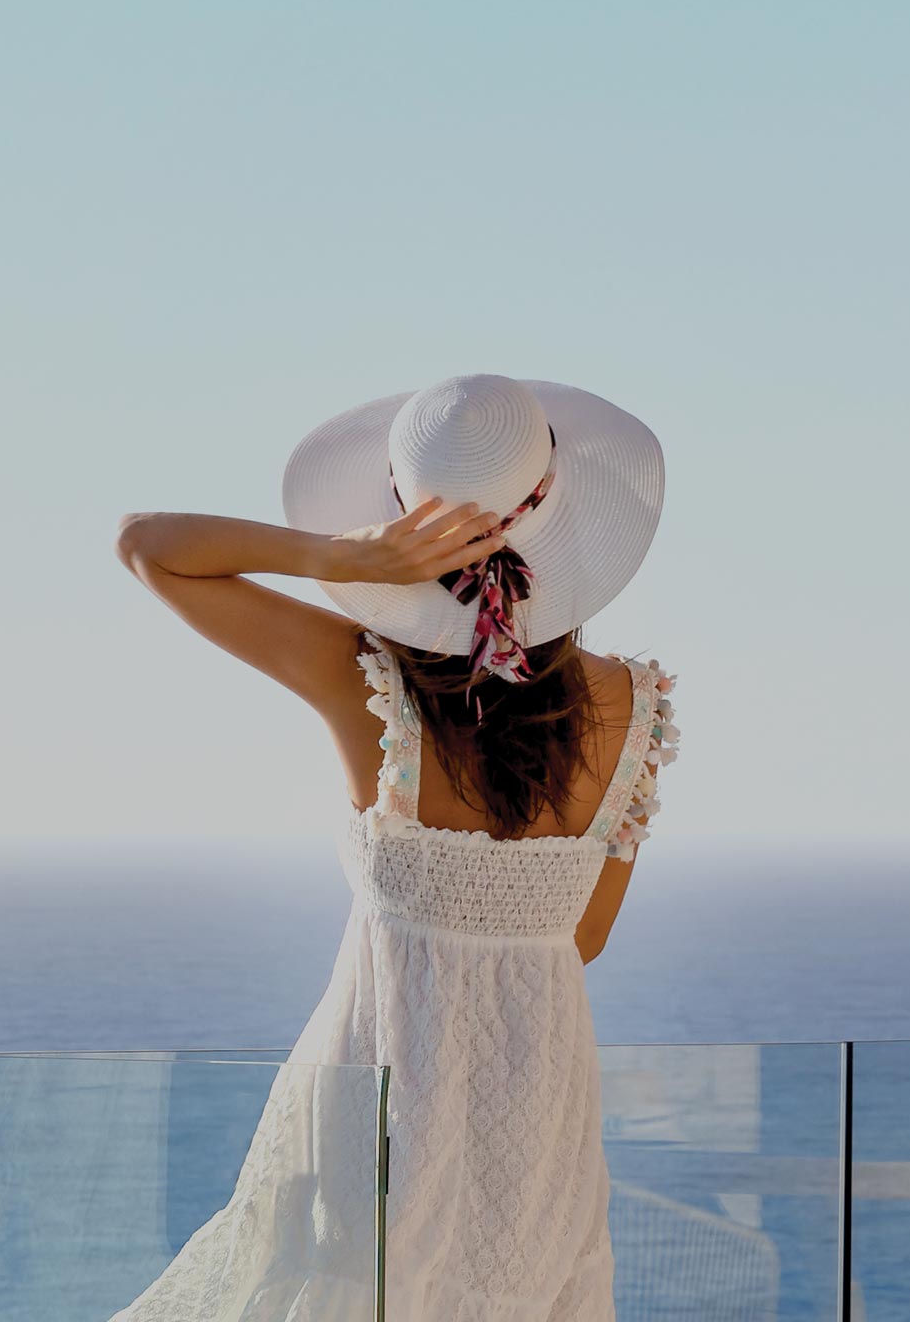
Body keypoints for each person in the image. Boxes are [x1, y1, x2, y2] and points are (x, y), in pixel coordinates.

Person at [106, 373, 678, 1322]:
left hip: (374, 1101)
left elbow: (147, 547)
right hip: (537, 1127)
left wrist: (336, 556)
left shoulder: (357, 681)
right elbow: (586, 937)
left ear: (402, 526)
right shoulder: (638, 710)